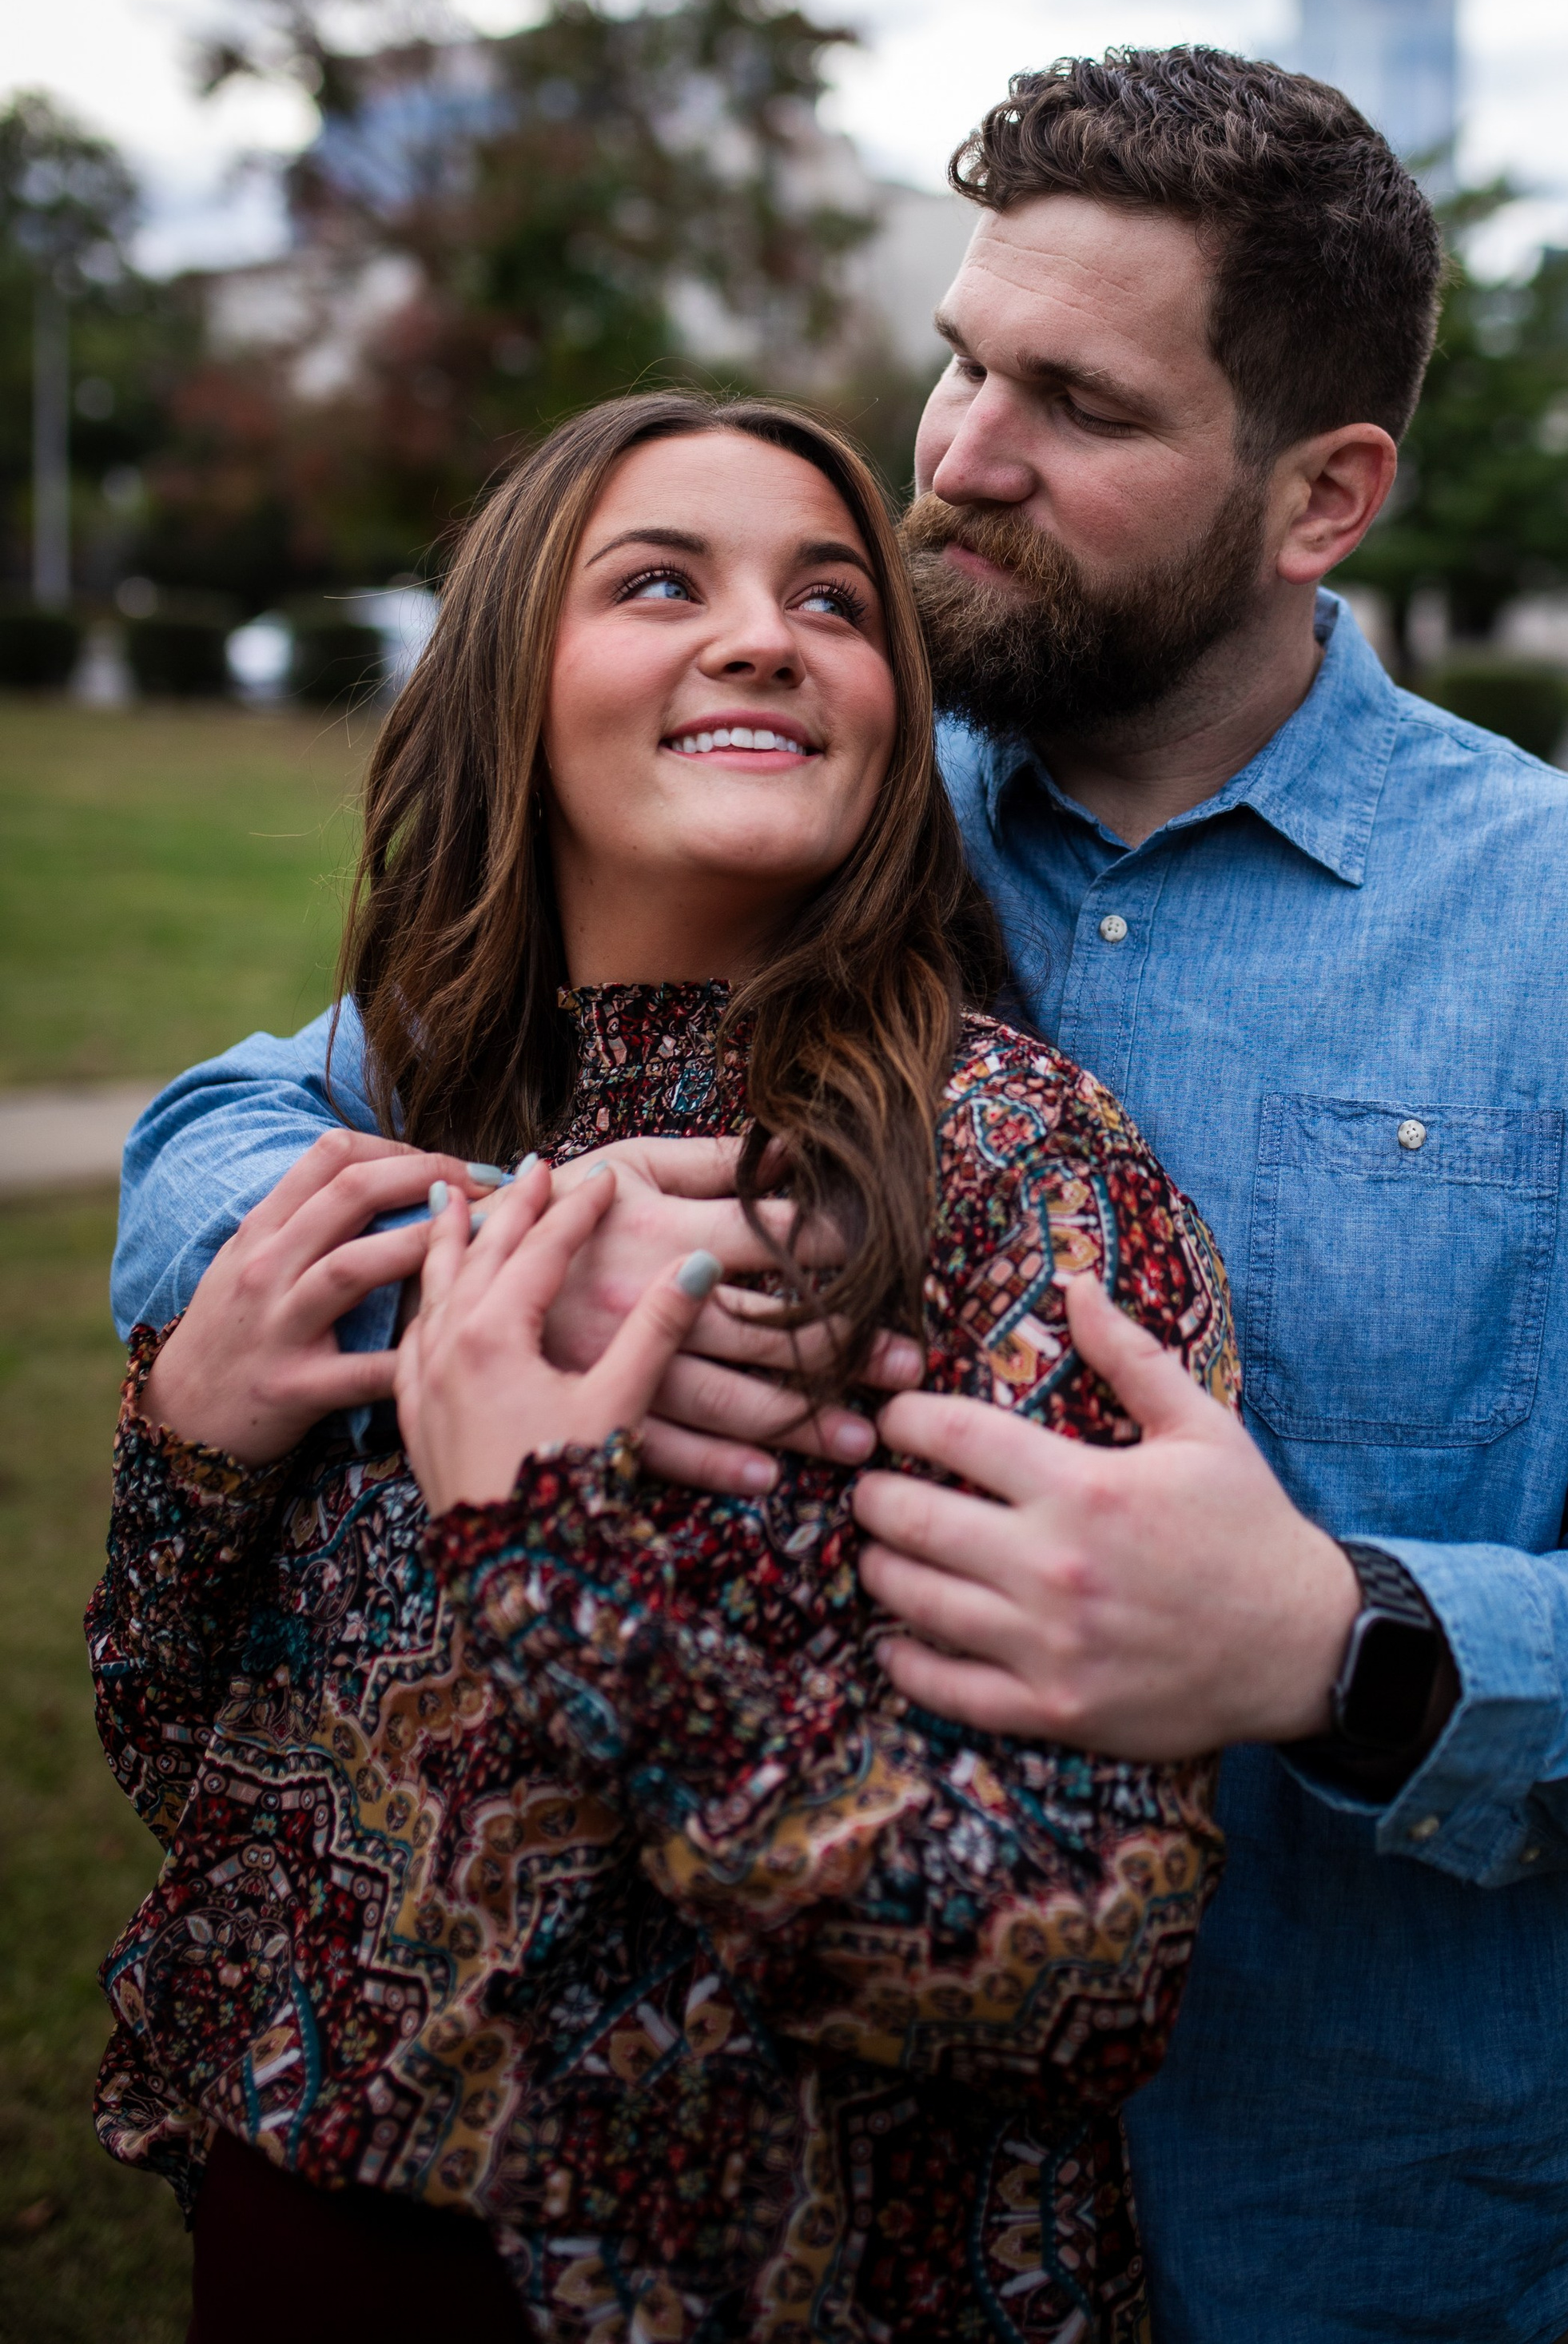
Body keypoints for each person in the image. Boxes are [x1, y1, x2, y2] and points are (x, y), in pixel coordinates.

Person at [113, 51, 1568, 2344]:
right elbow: (230, 1127)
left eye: (1075, 400)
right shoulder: (816, 794)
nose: (956, 450)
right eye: (961, 359)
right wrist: (495, 1250)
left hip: (1389, 2244)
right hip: (817, 2243)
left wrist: (1338, 1647)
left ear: (1319, 494)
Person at [88, 391, 1236, 2344]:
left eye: (831, 600)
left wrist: (552, 1555)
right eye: (657, 581)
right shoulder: (376, 1142)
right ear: (508, 681)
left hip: (783, 2276)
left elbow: (1080, 1969)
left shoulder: (1006, 1168)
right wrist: (190, 1435)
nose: (763, 636)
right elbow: (188, 1764)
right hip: (305, 2238)